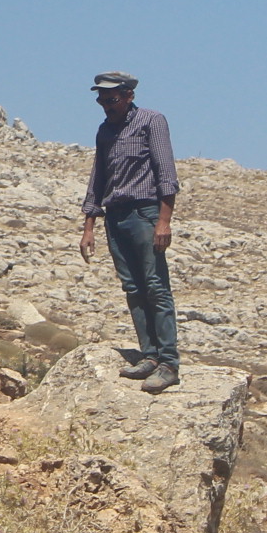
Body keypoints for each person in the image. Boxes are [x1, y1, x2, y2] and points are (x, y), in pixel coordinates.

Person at [75, 71, 181, 392]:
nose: (106, 105)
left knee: (155, 286)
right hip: (115, 217)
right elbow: (99, 177)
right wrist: (89, 226)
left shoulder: (152, 121)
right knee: (133, 288)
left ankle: (168, 362)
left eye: (112, 99)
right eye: (102, 100)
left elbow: (166, 172)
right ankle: (148, 356)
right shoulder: (105, 131)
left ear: (129, 96)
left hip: (145, 214)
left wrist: (164, 221)